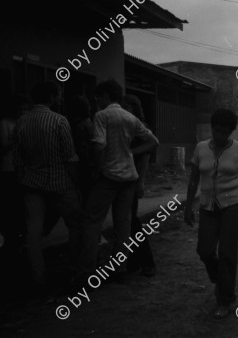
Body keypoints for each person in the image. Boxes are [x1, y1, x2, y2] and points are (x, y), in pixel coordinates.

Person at [183, 108, 238, 319]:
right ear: (212, 128)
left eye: (224, 132)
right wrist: (188, 205)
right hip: (207, 206)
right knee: (205, 250)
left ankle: (225, 299)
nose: (220, 136)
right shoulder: (201, 148)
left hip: (232, 207)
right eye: (217, 130)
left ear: (230, 132)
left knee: (228, 254)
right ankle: (219, 278)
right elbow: (193, 179)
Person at [77, 80, 159, 280]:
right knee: (123, 224)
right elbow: (153, 141)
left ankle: (86, 270)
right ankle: (119, 269)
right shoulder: (130, 117)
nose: (97, 101)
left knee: (91, 221)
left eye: (98, 97)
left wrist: (97, 169)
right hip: (128, 178)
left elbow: (98, 145)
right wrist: (130, 153)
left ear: (106, 96)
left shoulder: (101, 116)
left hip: (108, 176)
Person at [13, 82, 82, 287]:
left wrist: (21, 181)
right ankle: (74, 268)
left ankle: (38, 275)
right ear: (51, 96)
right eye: (58, 95)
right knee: (76, 224)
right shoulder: (59, 121)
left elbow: (18, 160)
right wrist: (76, 185)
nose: (60, 98)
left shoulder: (21, 121)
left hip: (31, 184)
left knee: (33, 230)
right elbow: (70, 157)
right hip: (59, 183)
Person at [121, 94, 156, 277]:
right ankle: (134, 263)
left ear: (135, 109)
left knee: (132, 222)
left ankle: (147, 262)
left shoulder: (140, 128)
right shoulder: (124, 126)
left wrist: (140, 182)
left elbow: (145, 157)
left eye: (128, 106)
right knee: (128, 222)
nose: (124, 109)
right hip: (122, 179)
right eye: (123, 105)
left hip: (132, 180)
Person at [0, 94, 28, 267]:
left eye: (26, 109)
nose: (23, 112)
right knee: (11, 206)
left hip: (22, 170)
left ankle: (19, 239)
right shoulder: (5, 124)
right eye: (21, 109)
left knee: (20, 207)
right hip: (8, 168)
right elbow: (4, 146)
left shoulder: (24, 123)